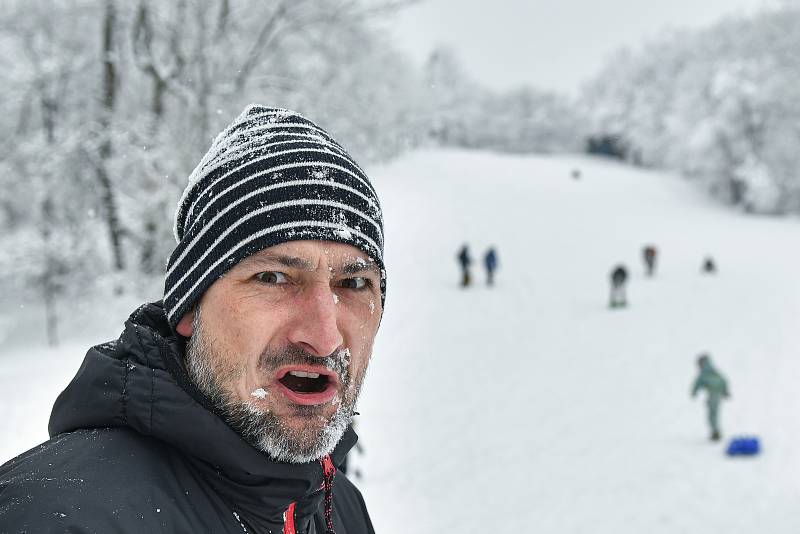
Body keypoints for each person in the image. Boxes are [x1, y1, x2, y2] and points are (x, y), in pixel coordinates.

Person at [0, 105, 385, 534]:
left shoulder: (339, 508)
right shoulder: (54, 520)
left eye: (354, 284)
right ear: (187, 307)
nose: (326, 336)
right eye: (274, 277)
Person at [691, 353, 730, 441]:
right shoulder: (714, 370)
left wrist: (694, 392)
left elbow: (697, 382)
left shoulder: (704, 372)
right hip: (718, 393)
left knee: (712, 414)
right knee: (714, 412)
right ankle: (715, 431)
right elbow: (723, 380)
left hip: (713, 393)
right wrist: (725, 391)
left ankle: (715, 432)